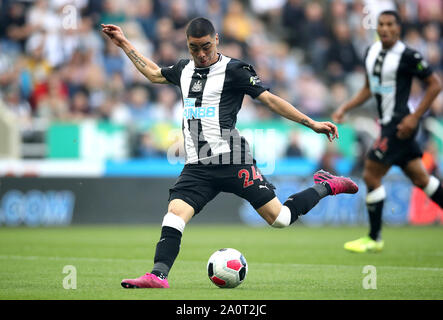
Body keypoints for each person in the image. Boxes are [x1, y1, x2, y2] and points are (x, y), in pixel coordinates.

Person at [102, 17, 358, 289]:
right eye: (194, 48)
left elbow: (270, 100)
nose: (200, 54)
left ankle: (325, 186)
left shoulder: (235, 70)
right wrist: (123, 43)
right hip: (198, 165)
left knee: (281, 219)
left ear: (217, 40)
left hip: (233, 160)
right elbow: (153, 74)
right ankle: (158, 275)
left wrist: (312, 123)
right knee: (174, 213)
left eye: (206, 47)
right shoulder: (183, 70)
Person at [332, 11, 443, 253]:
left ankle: (374, 237)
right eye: (381, 24)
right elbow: (369, 88)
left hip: (400, 125)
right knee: (421, 179)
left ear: (398, 28)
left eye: (390, 24)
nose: (385, 29)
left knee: (371, 173)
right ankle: (375, 237)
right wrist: (346, 107)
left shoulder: (408, 55)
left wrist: (415, 117)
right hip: (388, 124)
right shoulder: (371, 52)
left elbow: (435, 84)